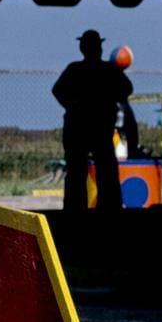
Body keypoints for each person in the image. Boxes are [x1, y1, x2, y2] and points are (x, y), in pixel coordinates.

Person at [52, 29, 133, 210]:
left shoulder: (75, 69)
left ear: (82, 48)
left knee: (76, 172)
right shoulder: (110, 70)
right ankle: (110, 207)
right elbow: (127, 89)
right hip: (101, 128)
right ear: (99, 48)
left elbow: (57, 90)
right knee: (107, 171)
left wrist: (73, 106)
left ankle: (75, 209)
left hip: (77, 128)